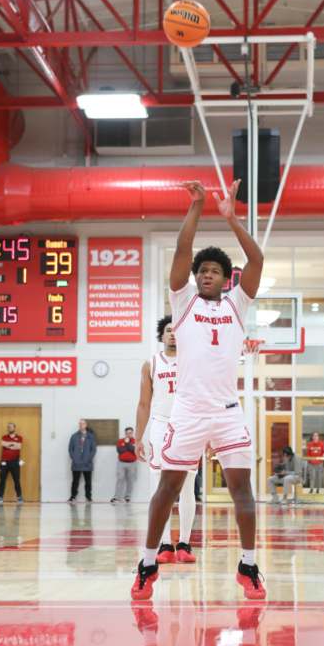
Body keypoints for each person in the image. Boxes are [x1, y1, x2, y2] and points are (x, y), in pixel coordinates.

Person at [131, 178, 265, 601]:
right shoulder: (183, 302)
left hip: (227, 411)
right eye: (202, 270)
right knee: (167, 489)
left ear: (226, 279)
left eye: (214, 271)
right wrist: (197, 207)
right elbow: (182, 252)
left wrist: (231, 219)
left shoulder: (236, 305)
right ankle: (149, 561)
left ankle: (248, 564)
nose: (206, 274)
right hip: (187, 412)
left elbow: (257, 258)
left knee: (242, 489)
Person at [135, 315, 197, 564]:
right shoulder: (150, 364)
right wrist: (138, 437)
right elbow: (143, 403)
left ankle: (184, 543)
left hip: (189, 426)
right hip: (160, 425)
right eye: (169, 330)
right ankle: (162, 544)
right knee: (159, 487)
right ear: (162, 335)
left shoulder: (193, 363)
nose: (173, 334)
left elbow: (203, 398)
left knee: (188, 486)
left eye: (177, 331)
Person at [68, 418, 97, 503]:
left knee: (88, 482)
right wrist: (74, 458)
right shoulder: (74, 436)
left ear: (86, 425)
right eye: (80, 424)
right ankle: (73, 497)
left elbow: (93, 450)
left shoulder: (91, 436)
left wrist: (88, 459)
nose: (81, 425)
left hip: (87, 464)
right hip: (76, 464)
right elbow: (70, 449)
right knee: (75, 481)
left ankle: (88, 497)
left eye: (83, 424)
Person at [0, 422, 23, 504]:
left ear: (14, 428)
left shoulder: (19, 437)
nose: (9, 428)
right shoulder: (4, 437)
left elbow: (18, 446)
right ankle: (0, 497)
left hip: (15, 462)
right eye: (8, 427)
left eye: (10, 427)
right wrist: (13, 445)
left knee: (16, 480)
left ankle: (19, 497)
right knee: (2, 480)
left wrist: (8, 445)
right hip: (4, 462)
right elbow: (3, 444)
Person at [111, 427, 137, 503]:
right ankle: (116, 497)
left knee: (130, 480)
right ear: (125, 433)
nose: (129, 434)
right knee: (120, 479)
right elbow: (120, 450)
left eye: (130, 433)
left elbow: (134, 450)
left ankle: (127, 497)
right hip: (121, 463)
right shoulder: (120, 441)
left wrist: (127, 443)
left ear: (132, 433)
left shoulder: (135, 441)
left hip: (132, 463)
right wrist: (128, 447)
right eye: (127, 433)